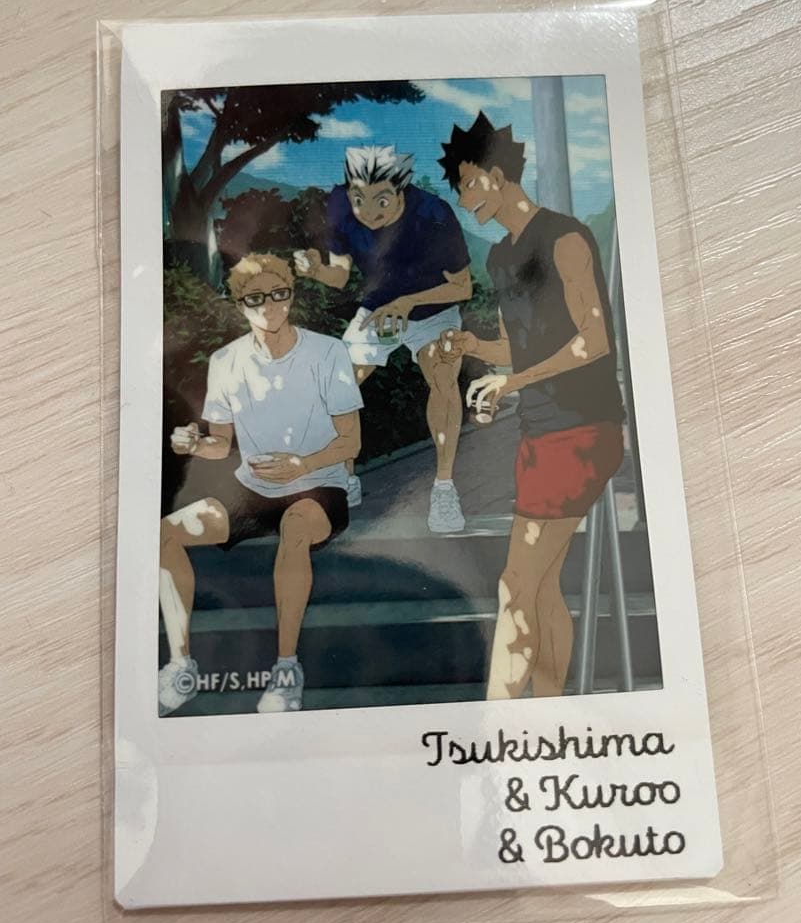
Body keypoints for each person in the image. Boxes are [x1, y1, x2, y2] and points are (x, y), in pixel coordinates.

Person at [438, 112, 625, 700]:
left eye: (468, 184)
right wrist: (474, 348)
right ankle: (550, 713)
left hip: (583, 432)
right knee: (540, 591)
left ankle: (499, 725)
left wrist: (512, 382)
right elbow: (514, 346)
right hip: (540, 437)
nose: (464, 199)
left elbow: (594, 340)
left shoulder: (565, 238)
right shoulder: (499, 257)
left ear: (496, 175)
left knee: (513, 587)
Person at [158, 252, 362, 716]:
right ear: (239, 304)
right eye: (255, 298)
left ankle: (287, 670)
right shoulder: (226, 361)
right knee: (164, 535)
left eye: (278, 293)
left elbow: (351, 441)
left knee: (295, 528)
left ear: (291, 294)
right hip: (252, 490)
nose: (269, 305)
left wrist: (302, 464)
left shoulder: (327, 352)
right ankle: (181, 666)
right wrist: (195, 443)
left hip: (317, 485)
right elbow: (220, 444)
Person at [293, 145, 471, 533]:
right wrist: (315, 271)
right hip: (377, 309)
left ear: (401, 190)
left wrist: (409, 302)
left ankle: (444, 488)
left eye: (382, 200)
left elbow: (462, 287)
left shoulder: (434, 214)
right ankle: (344, 478)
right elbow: (340, 276)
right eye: (360, 199)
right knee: (337, 384)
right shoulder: (339, 207)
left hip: (432, 309)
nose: (369, 211)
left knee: (442, 376)